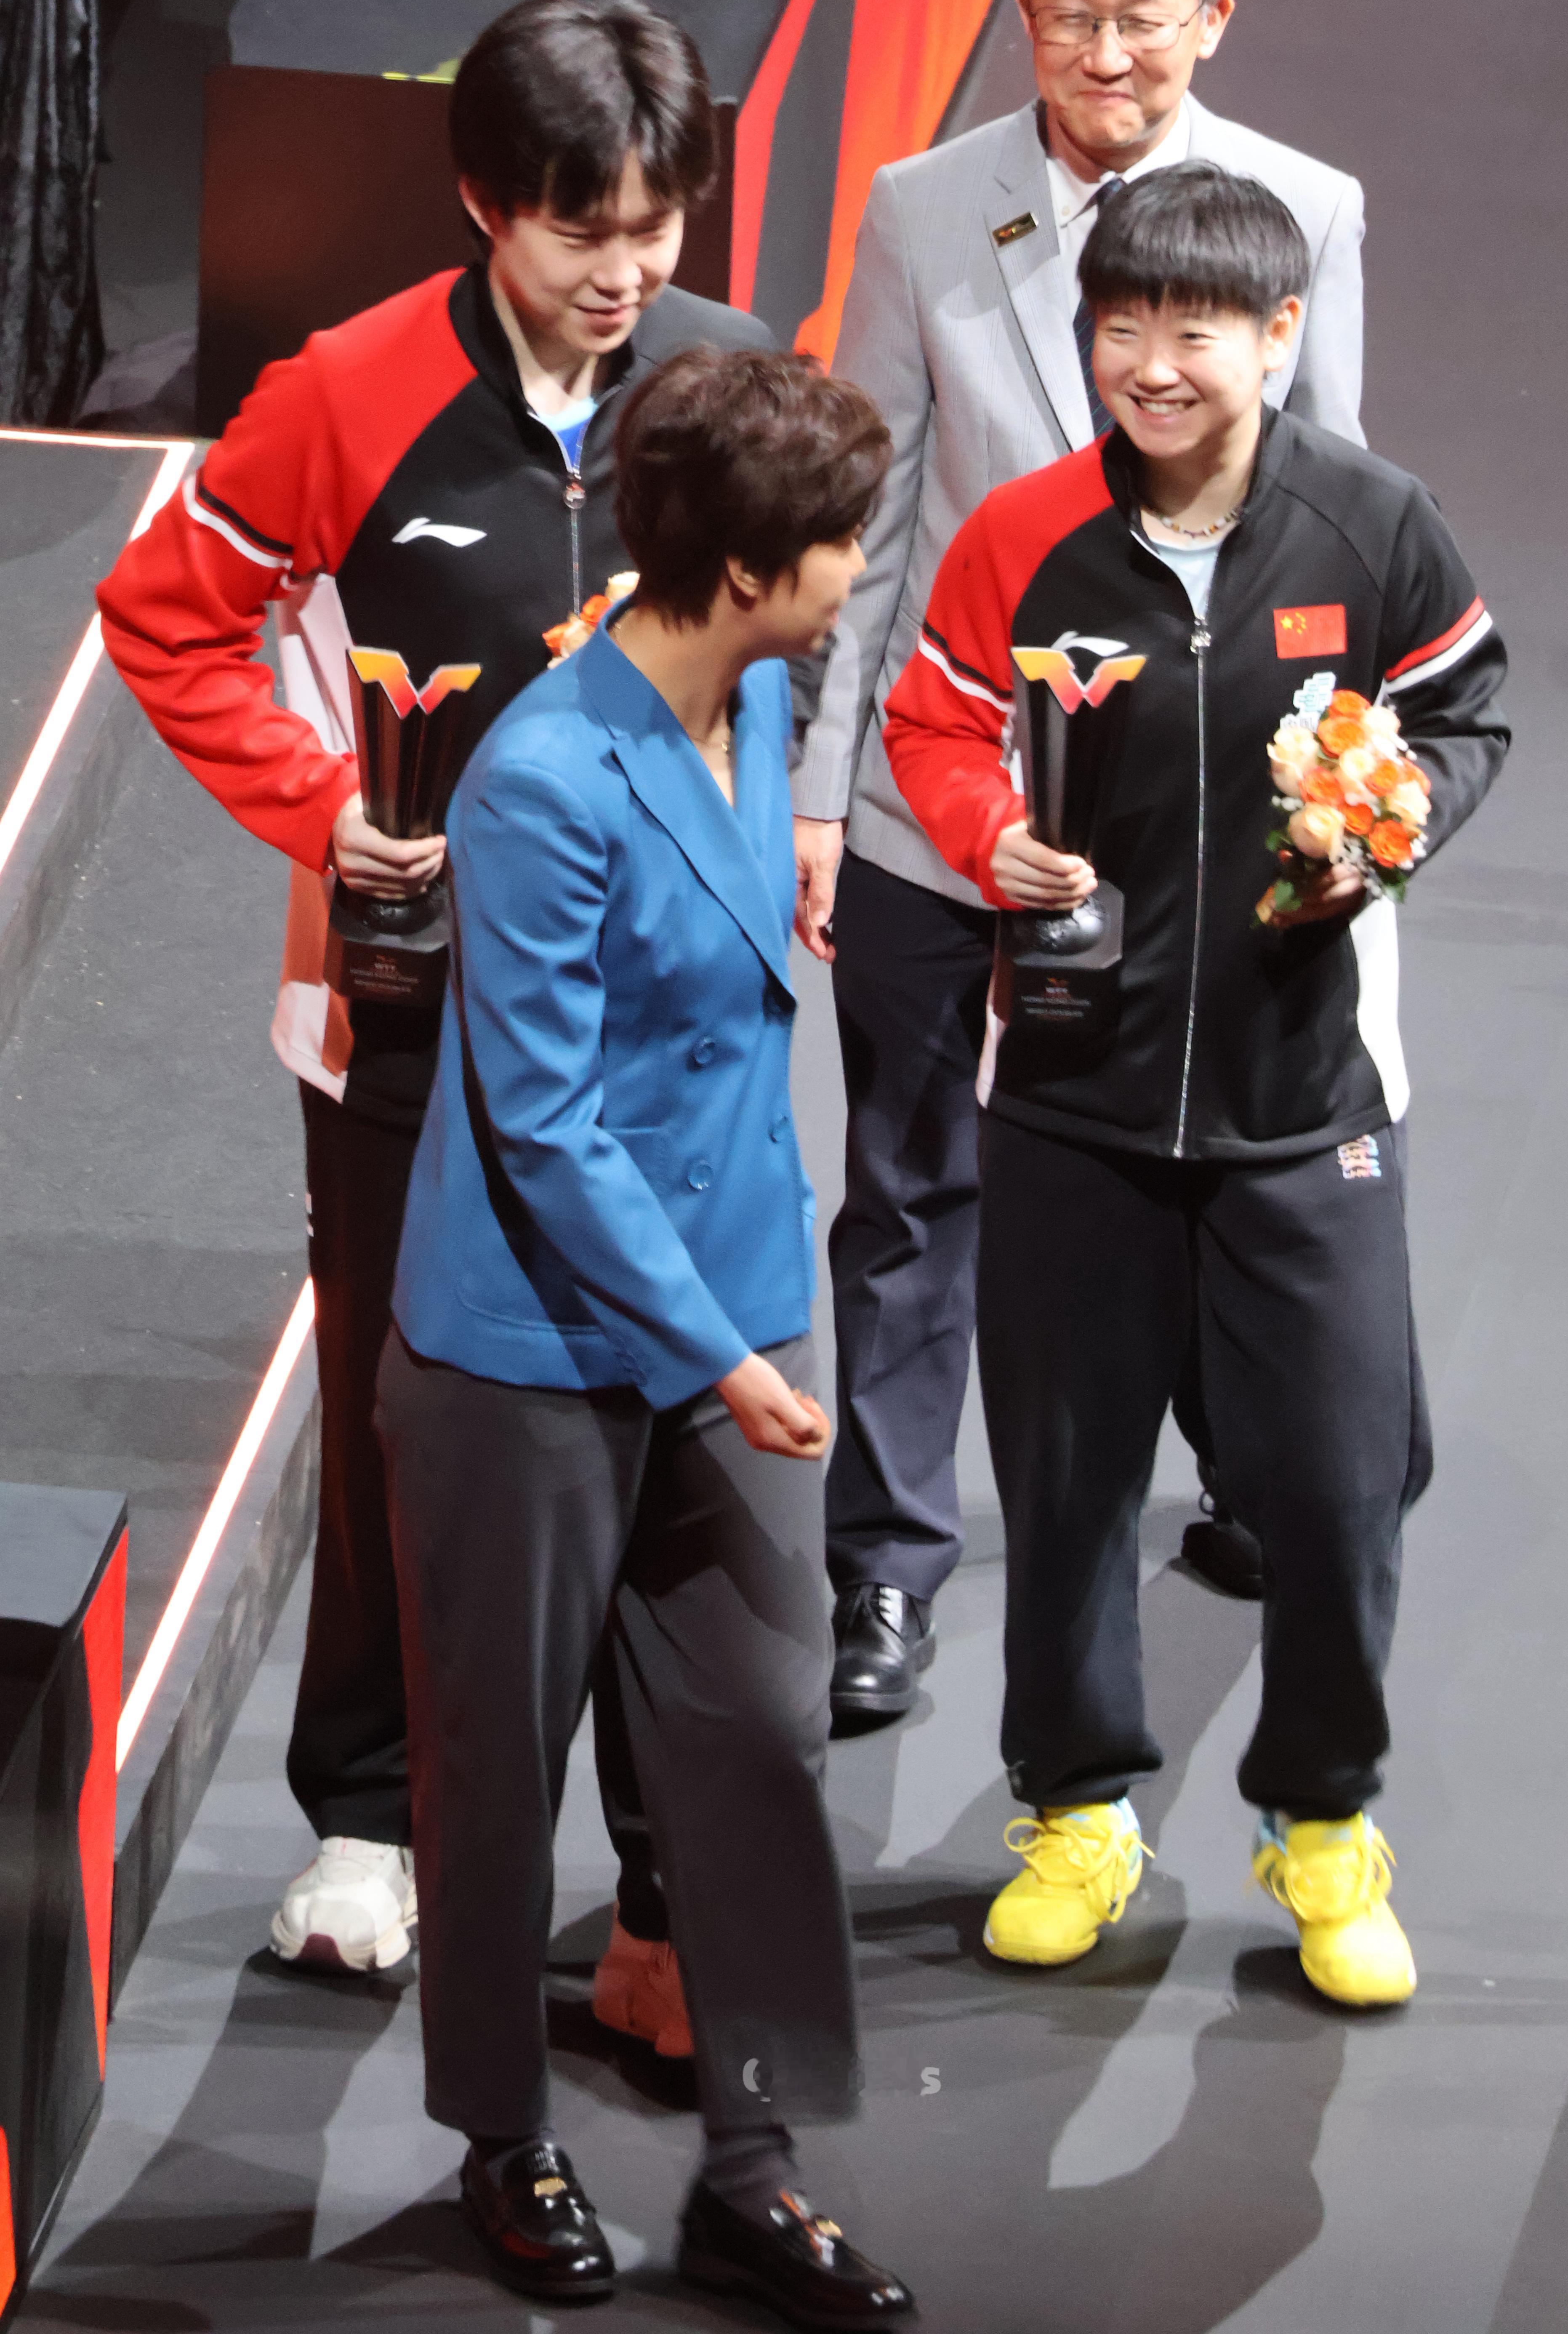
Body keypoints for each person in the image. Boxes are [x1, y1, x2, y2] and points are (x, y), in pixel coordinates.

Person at [96, 0, 775, 2025]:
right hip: (405, 1015)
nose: (626, 271)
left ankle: (663, 1880)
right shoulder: (345, 392)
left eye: (655, 226)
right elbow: (169, 620)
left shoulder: (727, 381)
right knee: (401, 1420)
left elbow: (798, 638)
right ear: (486, 200)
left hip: (659, 1035)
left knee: (671, 1432)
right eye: (583, 229)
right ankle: (370, 1822)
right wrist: (326, 810)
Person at [879, 162, 1509, 2001]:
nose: (1152, 365)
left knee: (1334, 1491)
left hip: (1309, 1109)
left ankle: (1323, 1825)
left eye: (1196, 331)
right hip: (1071, 1102)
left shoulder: (1375, 526)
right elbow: (932, 714)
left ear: (1280, 335)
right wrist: (986, 832)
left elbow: (1465, 710)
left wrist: (1389, 828)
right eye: (1121, 327)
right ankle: (1076, 1813)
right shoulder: (1022, 537)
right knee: (1066, 1489)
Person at [792, 0, 1371, 1720]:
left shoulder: (1306, 210)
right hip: (937, 799)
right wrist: (820, 787)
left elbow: (1331, 517)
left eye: (1141, 20)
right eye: (1067, 17)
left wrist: (1323, 802)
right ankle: (887, 1574)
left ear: (1214, 17)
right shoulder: (922, 207)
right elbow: (872, 515)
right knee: (907, 1189)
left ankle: (1244, 1472)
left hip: (1183, 826)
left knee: (1182, 1166)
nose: (1104, 56)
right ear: (1023, 18)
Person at [376, 347, 913, 2324]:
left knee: (761, 1738)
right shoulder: (540, 776)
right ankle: (501, 2137)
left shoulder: (756, 693)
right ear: (752, 568)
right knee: (495, 1766)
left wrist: (746, 1333)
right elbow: (544, 1125)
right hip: (526, 1353)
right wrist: (719, 1361)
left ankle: (755, 2171)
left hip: (733, 1302)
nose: (857, 566)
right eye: (839, 540)